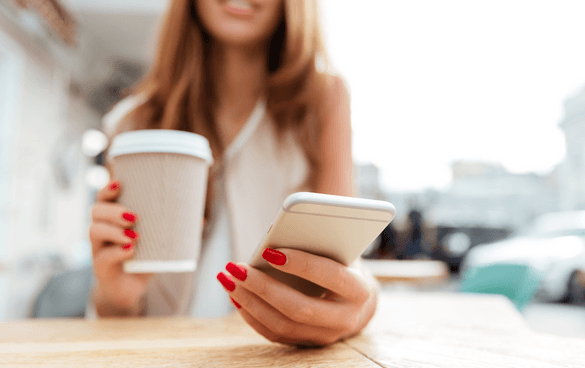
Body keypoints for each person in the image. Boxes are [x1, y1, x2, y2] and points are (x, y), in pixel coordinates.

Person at [89, 0, 378, 346]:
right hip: (159, 349)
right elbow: (116, 308)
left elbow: (344, 260)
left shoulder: (322, 101)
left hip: (270, 352)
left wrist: (361, 305)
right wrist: (114, 298)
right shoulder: (132, 123)